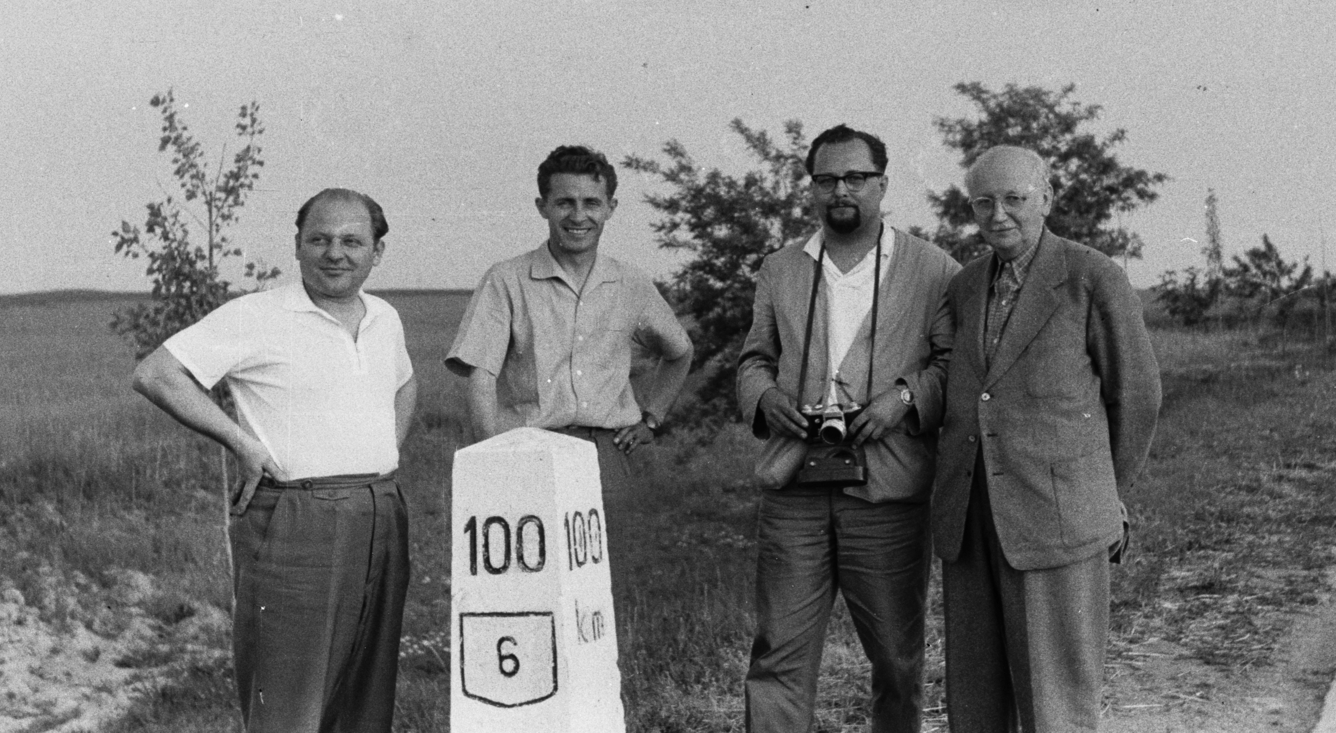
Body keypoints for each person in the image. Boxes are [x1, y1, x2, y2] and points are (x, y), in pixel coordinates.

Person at [132, 188, 415, 733]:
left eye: (352, 241)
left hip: (380, 510)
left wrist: (385, 448)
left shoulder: (385, 316)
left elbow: (406, 384)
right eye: (320, 239)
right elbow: (156, 374)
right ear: (298, 246)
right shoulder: (258, 314)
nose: (335, 253)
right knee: (287, 698)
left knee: (365, 693)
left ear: (377, 252)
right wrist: (242, 443)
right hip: (296, 518)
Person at [931, 146, 1162, 733]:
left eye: (1014, 198)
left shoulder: (1092, 277)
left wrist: (1101, 498)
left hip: (1058, 521)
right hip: (971, 518)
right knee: (974, 703)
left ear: (1047, 200)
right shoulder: (965, 286)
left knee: (1055, 703)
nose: (998, 213)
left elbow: (1136, 397)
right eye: (983, 202)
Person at [739, 124, 962, 733]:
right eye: (827, 178)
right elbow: (754, 359)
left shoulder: (934, 269)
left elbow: (954, 366)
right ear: (811, 188)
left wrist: (904, 398)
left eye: (856, 178)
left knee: (895, 657)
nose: (842, 189)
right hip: (793, 492)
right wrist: (766, 399)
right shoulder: (781, 268)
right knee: (779, 654)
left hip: (888, 493)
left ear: (883, 185)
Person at [444, 145, 693, 505]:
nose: (579, 216)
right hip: (528, 452)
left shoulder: (631, 283)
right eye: (565, 203)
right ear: (542, 206)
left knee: (608, 561)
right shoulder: (506, 279)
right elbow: (481, 380)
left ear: (611, 208)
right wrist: (493, 460)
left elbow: (680, 352)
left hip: (605, 455)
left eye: (591, 203)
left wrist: (652, 418)